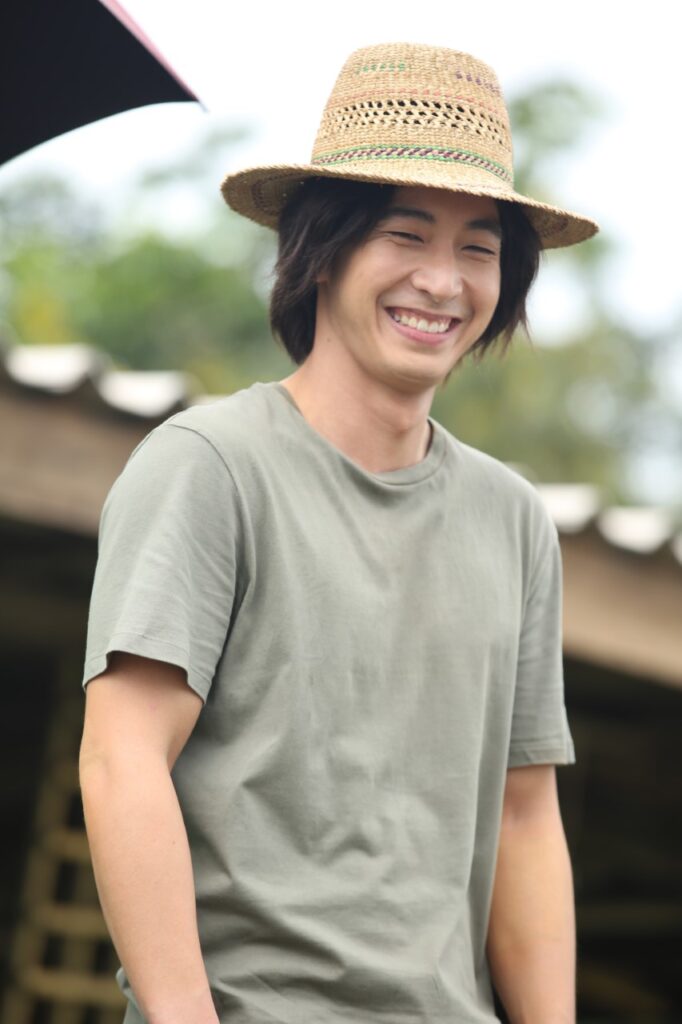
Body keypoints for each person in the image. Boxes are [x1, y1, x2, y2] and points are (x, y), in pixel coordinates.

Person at [79, 42, 598, 1024]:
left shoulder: (513, 520)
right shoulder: (209, 466)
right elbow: (122, 760)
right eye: (405, 234)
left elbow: (524, 818)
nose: (441, 281)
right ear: (322, 247)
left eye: (478, 248)